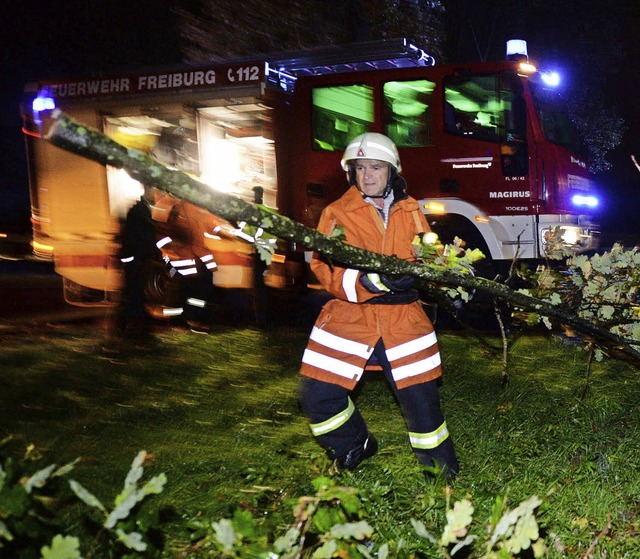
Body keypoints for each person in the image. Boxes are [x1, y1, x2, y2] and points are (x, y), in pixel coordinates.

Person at [298, 133, 459, 480]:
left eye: (375, 167)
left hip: (404, 319)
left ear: (391, 172)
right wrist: (372, 283)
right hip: (350, 316)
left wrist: (440, 274)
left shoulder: (412, 208)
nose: (367, 175)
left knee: (422, 402)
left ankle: (441, 473)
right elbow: (325, 268)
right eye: (359, 169)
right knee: (315, 395)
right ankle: (354, 445)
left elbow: (426, 255)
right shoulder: (337, 213)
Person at [116, 186, 163, 346]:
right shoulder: (140, 212)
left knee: (135, 296)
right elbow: (142, 238)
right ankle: (133, 332)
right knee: (135, 296)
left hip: (138, 259)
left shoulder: (141, 210)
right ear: (149, 191)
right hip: (137, 260)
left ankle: (131, 330)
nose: (158, 195)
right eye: (156, 192)